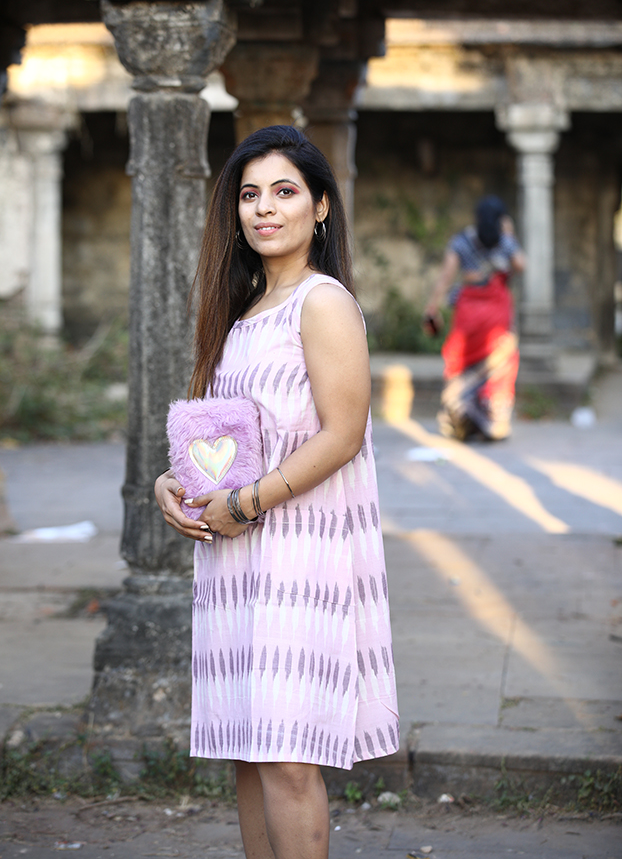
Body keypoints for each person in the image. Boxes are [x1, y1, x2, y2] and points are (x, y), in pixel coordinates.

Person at [154, 125, 399, 859]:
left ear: (320, 206)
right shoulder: (238, 315)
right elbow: (217, 436)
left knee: (289, 757)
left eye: (284, 191)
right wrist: (173, 483)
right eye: (250, 194)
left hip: (300, 554)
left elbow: (343, 433)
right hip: (234, 560)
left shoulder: (322, 303)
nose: (264, 208)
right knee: (250, 748)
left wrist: (247, 503)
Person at [423, 195, 526, 441]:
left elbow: (446, 277)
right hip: (497, 314)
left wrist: (432, 307)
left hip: (468, 313)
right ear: (502, 220)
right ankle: (494, 420)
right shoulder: (505, 242)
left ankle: (459, 412)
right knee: (500, 361)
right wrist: (509, 235)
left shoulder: (461, 241)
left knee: (462, 360)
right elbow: (521, 265)